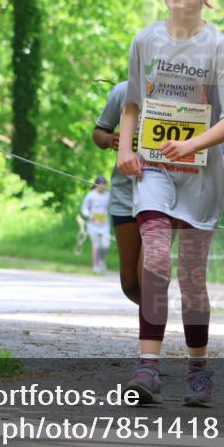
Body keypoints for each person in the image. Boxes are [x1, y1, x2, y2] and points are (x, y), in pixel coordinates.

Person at [117, 0, 224, 408]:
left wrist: (193, 145)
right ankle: (147, 366)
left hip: (201, 174)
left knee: (192, 277)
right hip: (155, 168)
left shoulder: (220, 48)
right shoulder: (146, 41)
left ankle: (198, 368)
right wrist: (125, 149)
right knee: (155, 260)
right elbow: (132, 103)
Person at [93, 80, 143, 304]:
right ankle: (152, 318)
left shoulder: (180, 89)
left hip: (166, 194)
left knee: (150, 273)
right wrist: (108, 139)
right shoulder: (124, 90)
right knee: (130, 283)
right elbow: (99, 132)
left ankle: (152, 331)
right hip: (125, 192)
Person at [80, 176, 112, 273]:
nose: (103, 187)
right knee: (96, 245)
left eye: (105, 185)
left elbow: (111, 207)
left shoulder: (108, 195)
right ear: (97, 185)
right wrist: (90, 215)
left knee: (106, 245)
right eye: (102, 185)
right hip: (93, 224)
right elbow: (84, 208)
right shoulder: (91, 195)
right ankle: (96, 266)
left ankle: (102, 261)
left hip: (105, 224)